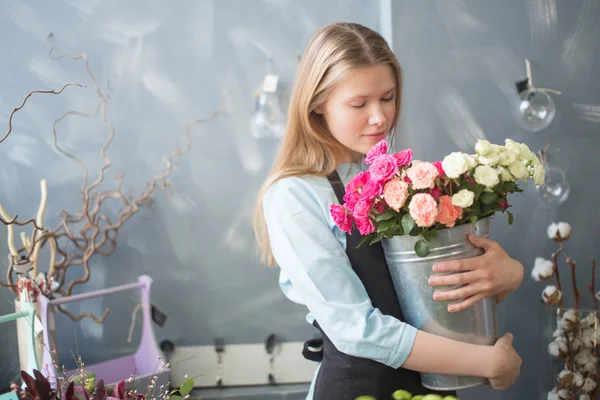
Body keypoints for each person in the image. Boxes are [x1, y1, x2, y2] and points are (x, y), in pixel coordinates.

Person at [252, 22, 523, 400]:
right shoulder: (293, 196)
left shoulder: (400, 181)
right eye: (359, 104)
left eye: (388, 97)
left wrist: (507, 276)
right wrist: (487, 363)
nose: (379, 117)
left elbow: (435, 297)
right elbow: (355, 329)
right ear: (316, 104)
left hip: (432, 387)